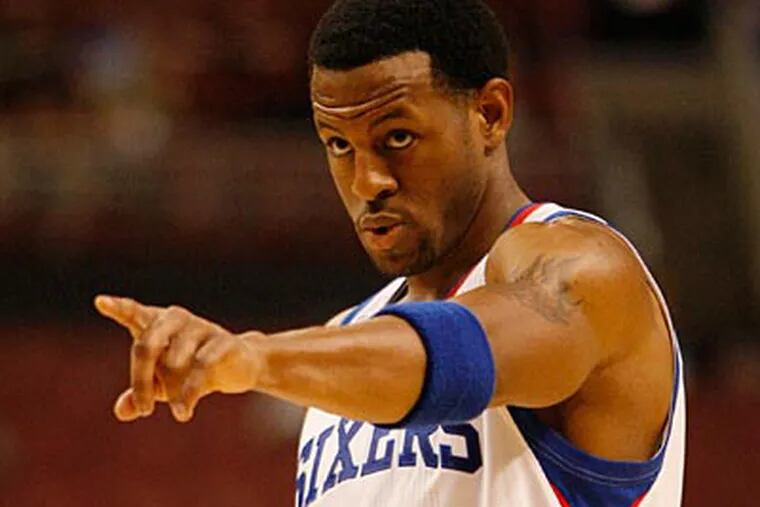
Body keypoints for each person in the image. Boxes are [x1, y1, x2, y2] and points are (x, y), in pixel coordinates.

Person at [94, 0, 685, 505]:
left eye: (397, 137)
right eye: (338, 145)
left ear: (490, 114)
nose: (366, 181)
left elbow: (463, 354)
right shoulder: (342, 348)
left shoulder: (587, 270)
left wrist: (254, 357)